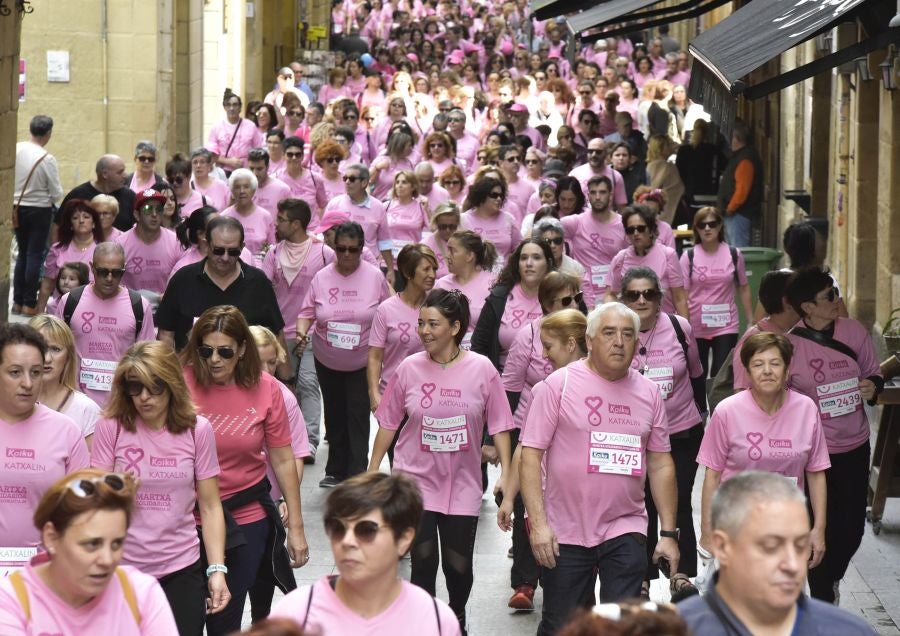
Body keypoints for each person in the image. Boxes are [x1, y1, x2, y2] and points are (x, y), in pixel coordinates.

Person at [520, 302, 680, 635]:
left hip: (625, 525)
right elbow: (531, 455)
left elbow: (661, 462)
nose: (619, 342)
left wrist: (667, 533)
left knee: (622, 625)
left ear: (637, 345)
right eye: (609, 333)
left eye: (627, 335)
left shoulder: (649, 393)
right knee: (562, 626)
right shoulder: (557, 385)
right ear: (590, 341)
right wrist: (538, 525)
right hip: (565, 530)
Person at [369, 289, 514, 632]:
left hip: (462, 483)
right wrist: (373, 472)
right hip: (414, 481)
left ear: (455, 327)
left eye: (433, 324)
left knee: (458, 565)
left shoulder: (482, 369)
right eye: (420, 323)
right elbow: (388, 423)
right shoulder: (408, 368)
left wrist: (507, 477)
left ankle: (456, 615)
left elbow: (502, 426)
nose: (424, 331)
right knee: (422, 561)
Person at [181, 306, 308, 634]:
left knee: (225, 619)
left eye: (224, 351)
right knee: (185, 620)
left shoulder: (267, 388)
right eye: (205, 351)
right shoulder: (179, 382)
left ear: (241, 350)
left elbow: (282, 460)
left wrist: (295, 528)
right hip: (184, 521)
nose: (214, 360)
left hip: (245, 518)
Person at [91, 341, 229, 634]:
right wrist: (116, 494)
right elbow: (94, 503)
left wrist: (217, 569)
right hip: (122, 567)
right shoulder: (110, 426)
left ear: (172, 384)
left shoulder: (197, 429)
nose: (144, 397)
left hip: (181, 566)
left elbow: (210, 505)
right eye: (134, 387)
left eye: (154, 386)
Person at [783, 267, 883, 604]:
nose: (837, 299)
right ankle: (823, 595)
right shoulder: (791, 346)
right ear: (808, 307)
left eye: (835, 291)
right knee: (816, 526)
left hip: (854, 444)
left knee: (853, 528)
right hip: (814, 454)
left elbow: (874, 373)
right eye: (830, 295)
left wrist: (874, 387)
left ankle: (831, 578)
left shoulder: (853, 331)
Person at [678, 472, 874, 635]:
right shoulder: (678, 629)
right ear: (723, 547)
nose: (792, 564)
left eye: (799, 546)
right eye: (771, 546)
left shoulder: (849, 631)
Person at [270, 472, 460, 634]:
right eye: (338, 528)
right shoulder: (295, 615)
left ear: (403, 540)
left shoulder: (436, 620)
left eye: (366, 530)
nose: (347, 541)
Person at [698, 334, 829, 567]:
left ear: (787, 370)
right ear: (747, 372)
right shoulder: (727, 412)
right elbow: (712, 475)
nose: (767, 370)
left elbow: (816, 472)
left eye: (775, 363)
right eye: (758, 364)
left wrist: (818, 529)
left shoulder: (806, 409)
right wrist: (707, 532)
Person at [0, 469, 179, 633]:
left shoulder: (141, 593)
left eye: (116, 544)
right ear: (51, 537)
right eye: (92, 544)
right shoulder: (12, 599)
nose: (107, 560)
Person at [619, 267, 706, 602]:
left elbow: (697, 373)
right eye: (633, 295)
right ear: (623, 299)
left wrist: (701, 413)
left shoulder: (678, 327)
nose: (642, 300)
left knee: (679, 498)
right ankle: (641, 577)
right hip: (636, 437)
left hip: (681, 431)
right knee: (641, 504)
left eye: (649, 294)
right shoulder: (620, 332)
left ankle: (680, 574)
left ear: (660, 298)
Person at [500, 272, 582, 610]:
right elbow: (511, 385)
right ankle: (525, 581)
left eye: (576, 298)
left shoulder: (587, 337)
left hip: (575, 483)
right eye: (565, 300)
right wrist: (508, 489)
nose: (574, 304)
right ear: (547, 303)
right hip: (532, 437)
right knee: (530, 513)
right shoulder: (542, 383)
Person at [296, 222, 393, 487]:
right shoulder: (322, 277)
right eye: (341, 249)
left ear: (362, 249)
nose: (347, 255)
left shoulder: (374, 277)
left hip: (363, 359)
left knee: (358, 413)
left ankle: (357, 471)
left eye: (353, 249)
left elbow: (389, 310)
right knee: (335, 412)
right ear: (333, 248)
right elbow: (306, 312)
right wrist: (302, 333)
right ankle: (335, 470)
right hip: (327, 357)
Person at [0, 323, 90, 567]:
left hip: (46, 573)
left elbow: (83, 512)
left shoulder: (66, 432)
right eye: (15, 372)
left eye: (36, 372)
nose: (28, 384)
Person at [248, 326, 312, 619]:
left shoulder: (283, 397)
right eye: (257, 362)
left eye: (271, 362)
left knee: (265, 572)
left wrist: (289, 498)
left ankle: (261, 619)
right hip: (231, 500)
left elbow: (296, 454)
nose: (265, 370)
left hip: (270, 500)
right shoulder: (224, 395)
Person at [157, 216, 289, 357]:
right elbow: (166, 334)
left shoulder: (258, 282)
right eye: (218, 250)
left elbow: (276, 334)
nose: (225, 258)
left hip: (246, 374)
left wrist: (286, 378)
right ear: (206, 245)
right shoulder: (183, 279)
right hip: (193, 372)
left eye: (233, 252)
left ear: (242, 248)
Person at [55, 242, 156, 407]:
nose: (109, 278)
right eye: (102, 272)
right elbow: (55, 349)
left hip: (121, 402)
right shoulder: (70, 302)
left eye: (116, 273)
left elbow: (147, 359)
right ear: (92, 268)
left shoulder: (139, 305)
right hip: (75, 400)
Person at [681, 207, 753, 379]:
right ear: (696, 228)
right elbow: (682, 294)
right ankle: (700, 406)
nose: (707, 229)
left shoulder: (734, 254)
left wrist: (751, 320)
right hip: (697, 326)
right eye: (702, 225)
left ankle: (718, 406)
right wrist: (684, 325)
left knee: (721, 375)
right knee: (698, 374)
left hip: (726, 325)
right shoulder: (688, 256)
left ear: (720, 226)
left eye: (712, 224)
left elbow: (743, 287)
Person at [368, 244, 437, 414]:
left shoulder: (438, 307)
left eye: (434, 269)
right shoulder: (386, 309)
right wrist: (374, 394)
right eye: (426, 269)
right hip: (392, 398)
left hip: (429, 398)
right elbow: (375, 357)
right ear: (407, 273)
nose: (433, 275)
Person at [472, 239, 555, 372]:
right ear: (517, 264)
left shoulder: (563, 297)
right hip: (503, 382)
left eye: (536, 258)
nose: (529, 263)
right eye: (523, 258)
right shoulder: (499, 297)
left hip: (551, 383)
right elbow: (479, 346)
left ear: (548, 263)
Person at [12, 115, 63, 316]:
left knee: (22, 255)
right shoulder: (46, 158)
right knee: (34, 255)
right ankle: (28, 303)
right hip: (39, 210)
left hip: (16, 208)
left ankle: (16, 302)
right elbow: (56, 192)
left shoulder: (16, 148)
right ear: (48, 133)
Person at [28, 314, 101, 447]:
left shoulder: (86, 410)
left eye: (55, 349)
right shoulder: (6, 403)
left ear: (68, 357)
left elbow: (92, 467)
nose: (47, 358)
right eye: (40, 348)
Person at [605, 206, 689, 319]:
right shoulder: (620, 258)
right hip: (632, 328)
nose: (635, 233)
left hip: (664, 326)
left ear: (651, 230)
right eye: (630, 230)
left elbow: (679, 298)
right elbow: (611, 294)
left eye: (640, 228)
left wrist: (685, 331)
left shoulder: (668, 255)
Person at [560, 176, 627, 308]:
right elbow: (545, 230)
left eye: (602, 192)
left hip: (614, 295)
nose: (597, 197)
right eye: (593, 192)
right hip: (583, 296)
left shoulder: (624, 224)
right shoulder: (575, 222)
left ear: (611, 194)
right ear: (588, 195)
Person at [323, 163, 395, 280]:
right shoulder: (335, 204)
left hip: (369, 265)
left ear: (364, 183)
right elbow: (325, 234)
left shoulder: (378, 207)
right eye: (345, 178)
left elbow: (384, 241)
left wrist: (391, 270)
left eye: (352, 179)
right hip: (341, 264)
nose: (347, 182)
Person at [114, 189, 184, 308]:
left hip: (166, 308)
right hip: (131, 309)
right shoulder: (120, 244)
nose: (154, 214)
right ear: (137, 214)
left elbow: (183, 280)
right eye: (148, 209)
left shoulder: (175, 242)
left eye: (159, 209)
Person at [433, 231, 498, 350]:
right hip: (446, 356)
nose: (447, 256)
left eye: (452, 251)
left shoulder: (493, 283)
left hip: (481, 355)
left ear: (469, 256)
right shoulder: (441, 284)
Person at [36, 199, 104, 313]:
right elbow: (47, 285)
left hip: (91, 312)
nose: (81, 221)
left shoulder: (103, 251)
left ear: (94, 223)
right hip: (59, 311)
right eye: (75, 218)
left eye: (86, 217)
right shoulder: (57, 249)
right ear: (70, 224)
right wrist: (39, 316)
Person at [59, 154, 135, 235]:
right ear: (105, 174)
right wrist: (59, 247)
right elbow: (58, 225)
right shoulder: (78, 195)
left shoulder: (129, 196)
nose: (125, 175)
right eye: (120, 172)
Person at [716, 121, 763, 247]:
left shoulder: (745, 159)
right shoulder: (741, 156)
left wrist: (730, 208)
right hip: (735, 214)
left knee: (739, 252)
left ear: (736, 139)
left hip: (739, 215)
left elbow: (742, 190)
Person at [461, 177, 522, 263]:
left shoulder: (508, 219)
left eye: (501, 195)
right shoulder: (464, 219)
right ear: (482, 195)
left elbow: (519, 249)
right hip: (475, 273)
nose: (499, 199)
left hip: (504, 274)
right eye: (494, 195)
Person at [207, 89, 265, 175]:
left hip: (247, 171)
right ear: (224, 107)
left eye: (235, 105)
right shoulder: (216, 127)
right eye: (228, 105)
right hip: (224, 172)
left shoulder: (251, 126)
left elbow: (260, 149)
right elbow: (210, 154)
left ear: (240, 108)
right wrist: (229, 161)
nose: (232, 108)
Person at [220, 168, 275, 259]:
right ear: (232, 191)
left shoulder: (265, 216)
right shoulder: (224, 217)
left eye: (246, 187)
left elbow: (272, 248)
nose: (242, 191)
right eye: (237, 187)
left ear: (253, 190)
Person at [384, 171, 431, 270]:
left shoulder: (420, 207)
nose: (399, 185)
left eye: (404, 182)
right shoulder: (386, 206)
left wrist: (427, 210)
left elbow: (432, 229)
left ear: (413, 187)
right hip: (388, 263)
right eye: (397, 182)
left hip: (411, 262)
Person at [568, 138, 627, 210]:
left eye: (598, 152)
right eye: (590, 151)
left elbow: (621, 208)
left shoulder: (616, 176)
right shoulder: (575, 174)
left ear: (605, 153)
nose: (593, 155)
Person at [645, 135, 685, 225]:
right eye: (668, 144)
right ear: (660, 148)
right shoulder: (663, 165)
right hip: (667, 211)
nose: (671, 146)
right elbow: (653, 188)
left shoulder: (652, 165)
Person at [248, 147, 292, 217]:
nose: (255, 173)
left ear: (267, 167)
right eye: (251, 168)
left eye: (259, 169)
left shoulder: (282, 189)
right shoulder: (243, 188)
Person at [421, 201, 459, 278]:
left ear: (457, 223)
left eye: (452, 227)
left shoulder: (465, 243)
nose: (447, 230)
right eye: (443, 226)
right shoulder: (425, 246)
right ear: (436, 223)